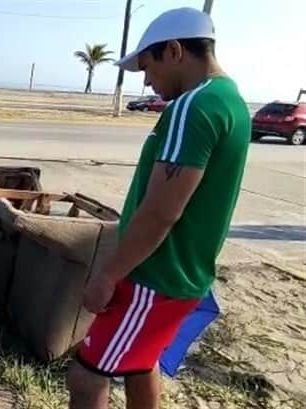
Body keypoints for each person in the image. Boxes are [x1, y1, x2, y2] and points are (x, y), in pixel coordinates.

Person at [67, 8, 251, 409]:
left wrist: (107, 274)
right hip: (182, 274)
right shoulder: (232, 100)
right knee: (139, 363)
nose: (148, 82)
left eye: (148, 67)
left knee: (85, 376)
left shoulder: (194, 105)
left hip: (154, 276)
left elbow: (161, 211)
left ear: (174, 51)